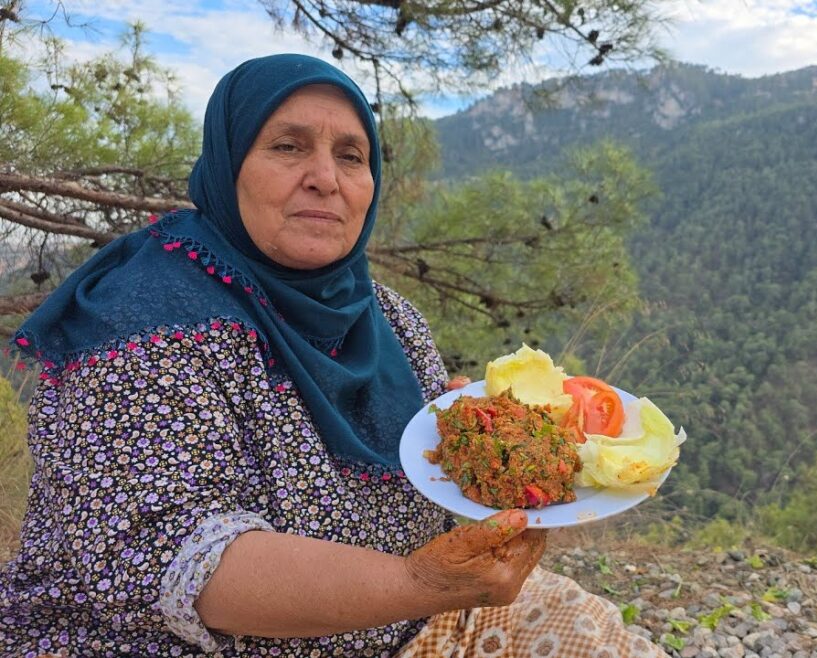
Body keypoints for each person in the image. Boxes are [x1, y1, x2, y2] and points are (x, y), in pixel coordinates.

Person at [0, 54, 666, 658]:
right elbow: (182, 565)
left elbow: (433, 477)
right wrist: (418, 583)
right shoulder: (139, 324)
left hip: (414, 625)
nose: (325, 179)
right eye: (288, 146)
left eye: (351, 156)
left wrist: (480, 447)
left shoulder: (387, 316)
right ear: (228, 164)